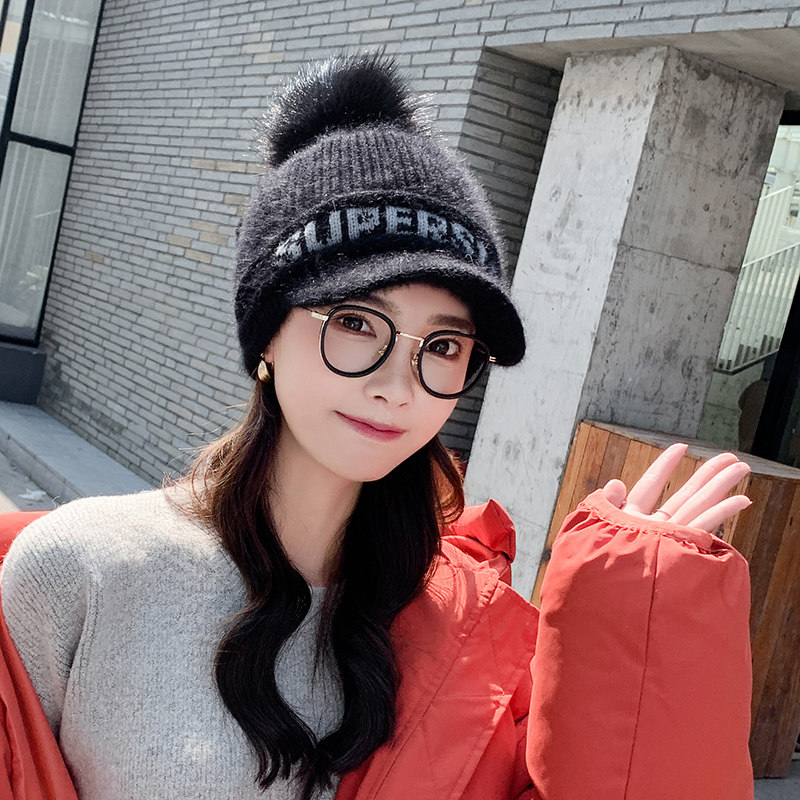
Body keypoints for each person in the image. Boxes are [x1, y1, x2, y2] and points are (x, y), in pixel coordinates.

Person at [0, 54, 754, 800]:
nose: (399, 386)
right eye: (358, 322)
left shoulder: (465, 632)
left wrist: (634, 635)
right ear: (267, 336)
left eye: (446, 346)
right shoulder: (79, 572)